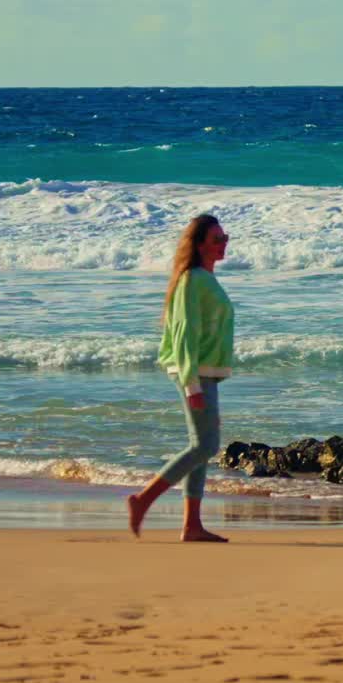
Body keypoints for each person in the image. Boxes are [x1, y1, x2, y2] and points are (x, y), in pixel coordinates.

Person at [127, 214, 234, 542]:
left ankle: (191, 525)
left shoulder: (205, 279)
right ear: (200, 243)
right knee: (205, 445)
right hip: (195, 372)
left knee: (201, 447)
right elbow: (185, 332)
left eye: (225, 237)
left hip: (206, 372)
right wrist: (191, 384)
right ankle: (143, 499)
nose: (223, 243)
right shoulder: (192, 280)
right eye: (217, 238)